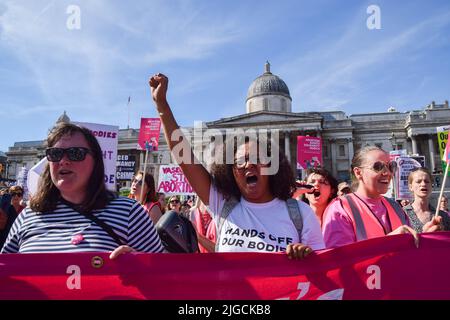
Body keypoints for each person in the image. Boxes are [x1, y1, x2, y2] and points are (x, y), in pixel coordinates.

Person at [149, 73, 324, 259]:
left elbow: (325, 268)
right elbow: (184, 156)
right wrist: (162, 107)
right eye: (239, 161)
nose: (249, 164)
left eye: (258, 158)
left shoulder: (301, 214)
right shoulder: (223, 204)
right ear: (231, 171)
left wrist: (307, 257)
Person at [1, 123, 164, 258]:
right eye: (55, 153)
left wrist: (139, 267)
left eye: (75, 153)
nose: (64, 161)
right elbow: (7, 277)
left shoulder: (129, 212)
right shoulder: (28, 215)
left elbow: (163, 276)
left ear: (96, 162)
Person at [322, 146, 423, 249]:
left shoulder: (396, 207)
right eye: (378, 167)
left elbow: (411, 249)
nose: (387, 173)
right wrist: (388, 242)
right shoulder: (340, 209)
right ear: (358, 173)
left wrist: (426, 237)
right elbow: (338, 259)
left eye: (391, 166)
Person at [402, 168, 448, 233]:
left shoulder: (443, 216)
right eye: (418, 181)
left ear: (431, 185)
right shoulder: (401, 214)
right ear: (410, 187)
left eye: (427, 181)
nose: (423, 184)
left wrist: (442, 233)